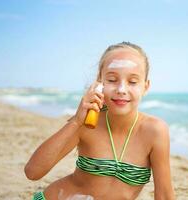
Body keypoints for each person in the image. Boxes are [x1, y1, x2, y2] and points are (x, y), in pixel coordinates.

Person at [25, 41, 175, 200]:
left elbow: (164, 195)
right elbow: (33, 172)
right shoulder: (86, 122)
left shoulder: (155, 131)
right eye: (112, 80)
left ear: (145, 86)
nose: (121, 90)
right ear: (99, 82)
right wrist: (76, 122)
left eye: (132, 82)